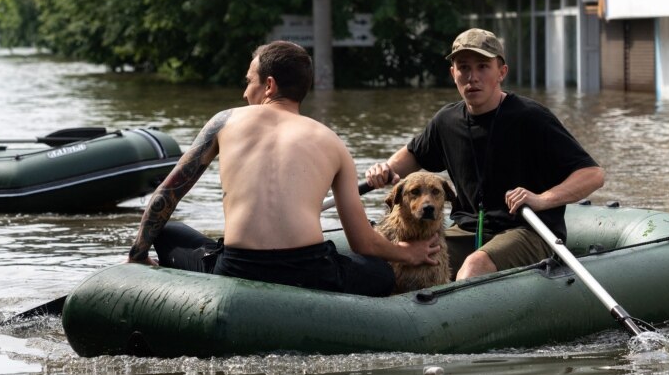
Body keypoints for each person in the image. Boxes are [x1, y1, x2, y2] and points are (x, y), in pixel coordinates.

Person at [127, 40, 440, 297]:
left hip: (238, 268)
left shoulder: (224, 122)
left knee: (166, 231)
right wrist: (407, 254)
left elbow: (165, 196)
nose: (244, 92)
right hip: (310, 272)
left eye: (249, 82)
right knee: (379, 273)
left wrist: (138, 255)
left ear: (269, 85)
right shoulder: (332, 142)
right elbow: (363, 243)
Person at [365, 27, 605, 281]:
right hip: (468, 229)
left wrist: (541, 199)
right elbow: (407, 160)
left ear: (501, 72)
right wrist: (384, 170)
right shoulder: (446, 121)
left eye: (482, 67)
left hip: (528, 230)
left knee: (474, 266)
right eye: (464, 67)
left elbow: (593, 174)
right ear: (453, 74)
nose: (472, 77)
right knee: (400, 257)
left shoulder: (531, 117)